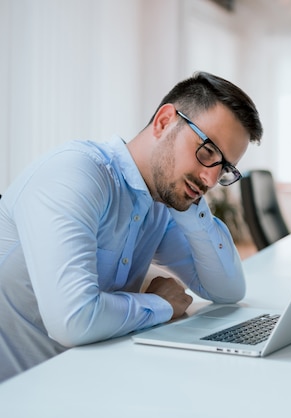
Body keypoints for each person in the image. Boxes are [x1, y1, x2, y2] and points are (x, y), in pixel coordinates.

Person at [0, 72, 263, 383]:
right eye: (207, 152)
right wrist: (162, 304)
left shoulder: (161, 203)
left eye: (224, 168)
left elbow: (228, 290)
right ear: (164, 122)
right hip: (22, 391)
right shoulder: (76, 174)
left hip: (89, 381)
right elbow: (73, 321)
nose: (210, 179)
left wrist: (193, 206)